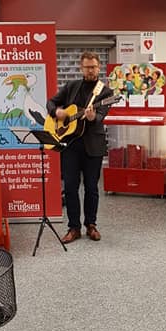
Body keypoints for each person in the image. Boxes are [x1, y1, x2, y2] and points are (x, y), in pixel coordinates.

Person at [47, 51, 112, 243]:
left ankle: (91, 225)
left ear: (99, 68)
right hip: (70, 146)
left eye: (94, 67)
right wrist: (56, 112)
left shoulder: (105, 92)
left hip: (93, 146)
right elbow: (51, 102)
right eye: (87, 67)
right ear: (81, 68)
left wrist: (93, 117)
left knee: (91, 188)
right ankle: (73, 227)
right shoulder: (71, 86)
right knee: (70, 188)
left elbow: (100, 116)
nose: (90, 70)